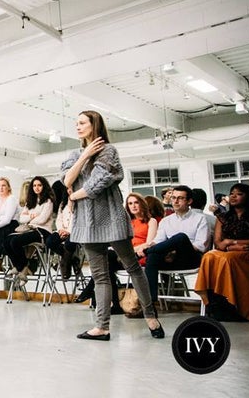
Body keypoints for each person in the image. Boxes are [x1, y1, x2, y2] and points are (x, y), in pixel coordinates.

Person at [62, 110, 163, 341]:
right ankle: (102, 326)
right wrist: (84, 155)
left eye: (82, 123)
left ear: (94, 124)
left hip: (111, 217)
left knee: (133, 267)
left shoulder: (109, 151)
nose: (77, 127)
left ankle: (150, 316)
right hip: (86, 223)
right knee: (99, 276)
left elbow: (97, 184)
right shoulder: (75, 153)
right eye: (75, 123)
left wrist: (74, 196)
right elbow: (66, 179)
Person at [74, 193, 158, 313]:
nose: (133, 206)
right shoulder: (128, 221)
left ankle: (89, 290)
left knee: (108, 260)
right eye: (130, 203)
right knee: (107, 264)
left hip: (140, 255)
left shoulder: (151, 221)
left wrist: (130, 250)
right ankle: (115, 305)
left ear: (142, 204)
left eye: (136, 202)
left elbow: (150, 243)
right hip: (123, 255)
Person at [138, 185, 211, 303]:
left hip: (191, 258)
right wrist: (154, 247)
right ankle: (150, 303)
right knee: (153, 256)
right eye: (173, 198)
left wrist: (173, 248)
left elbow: (201, 246)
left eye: (180, 198)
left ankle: (148, 252)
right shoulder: (166, 220)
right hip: (170, 260)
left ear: (189, 201)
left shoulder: (200, 218)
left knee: (180, 237)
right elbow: (158, 241)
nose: (175, 201)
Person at [195, 183, 249, 321]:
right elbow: (218, 242)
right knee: (209, 256)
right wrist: (230, 246)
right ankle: (210, 302)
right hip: (229, 251)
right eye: (232, 193)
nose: (233, 196)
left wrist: (233, 243)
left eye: (239, 194)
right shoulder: (222, 217)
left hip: (248, 253)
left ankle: (233, 303)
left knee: (228, 259)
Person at [0, 176, 54, 284]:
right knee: (6, 241)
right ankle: (20, 266)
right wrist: (32, 216)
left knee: (15, 242)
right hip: (29, 228)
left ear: (44, 186)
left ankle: (20, 266)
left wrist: (30, 217)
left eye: (39, 185)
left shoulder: (48, 201)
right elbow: (22, 218)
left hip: (43, 231)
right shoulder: (30, 201)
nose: (36, 188)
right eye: (34, 185)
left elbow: (43, 220)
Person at [45, 182, 78, 280]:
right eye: (68, 189)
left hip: (75, 231)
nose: (70, 190)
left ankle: (65, 264)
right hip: (62, 230)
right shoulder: (62, 204)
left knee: (69, 243)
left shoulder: (80, 203)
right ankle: (71, 259)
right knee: (50, 241)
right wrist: (61, 230)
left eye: (72, 188)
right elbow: (59, 219)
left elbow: (78, 219)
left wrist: (68, 231)